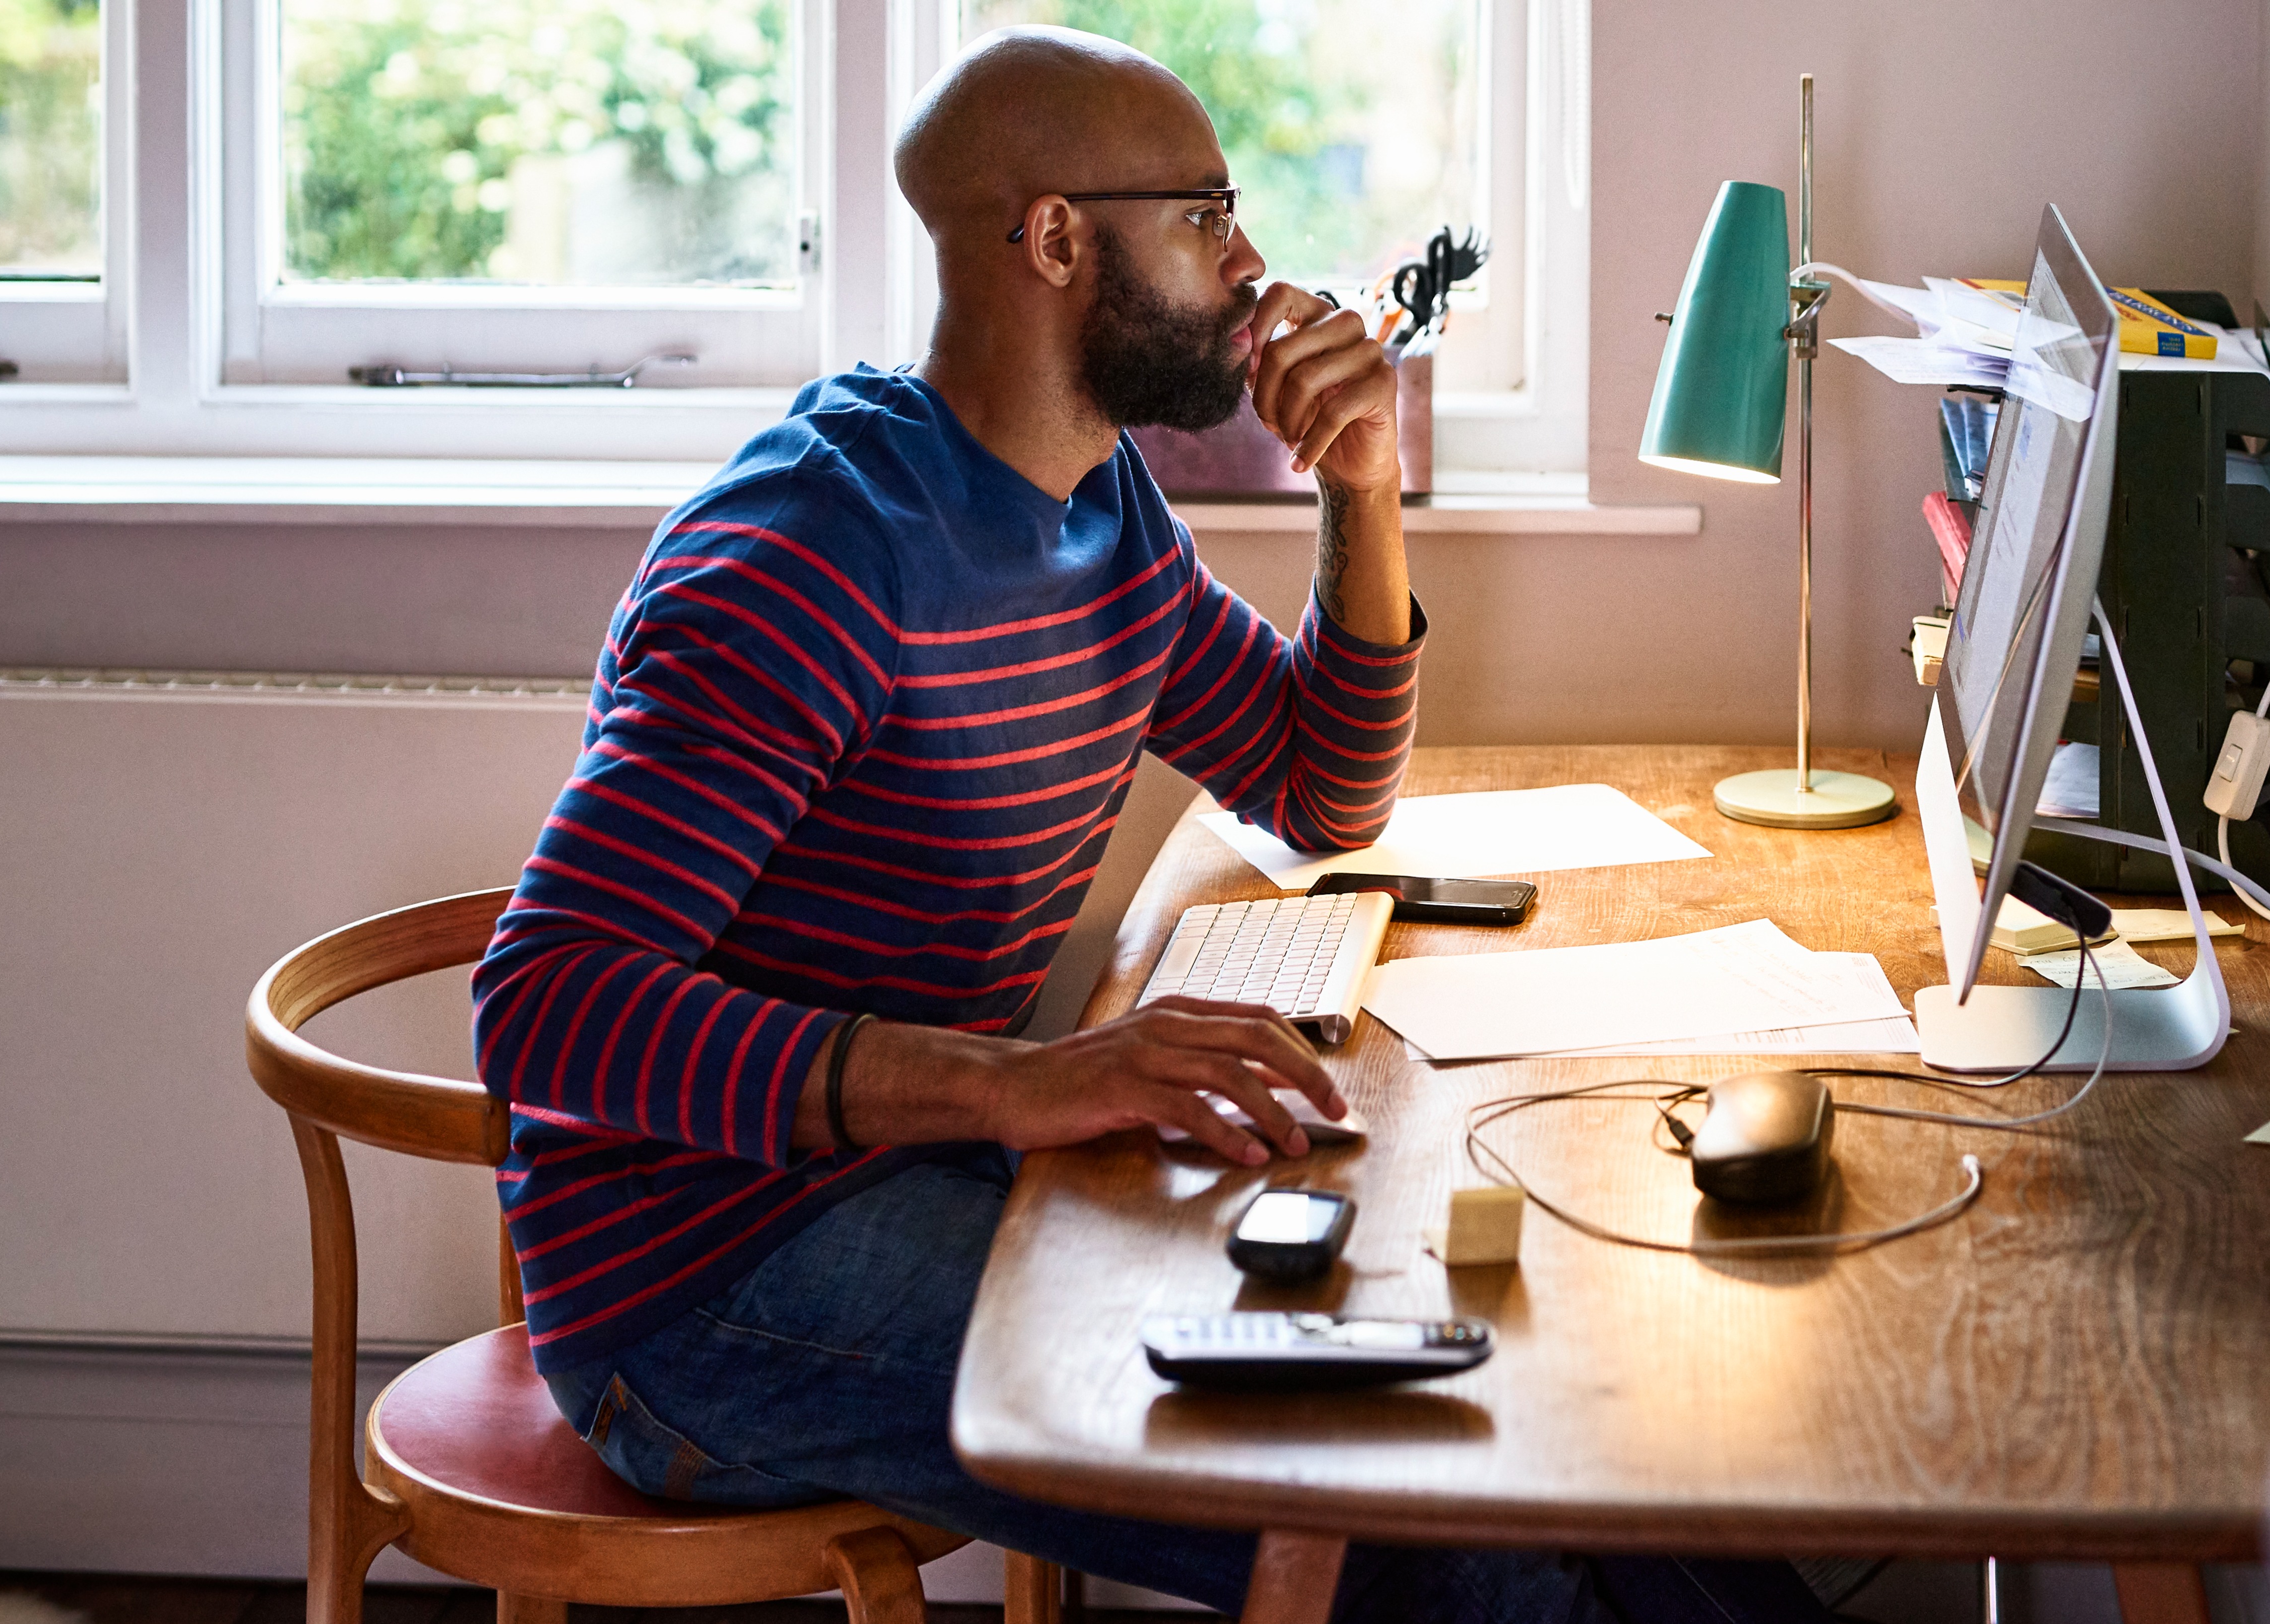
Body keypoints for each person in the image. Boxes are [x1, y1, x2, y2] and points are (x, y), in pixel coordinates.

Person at [470, 26, 1827, 1624]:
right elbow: (542, 1007)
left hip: (925, 1171)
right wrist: (1021, 1080)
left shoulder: (1100, 509)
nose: (1252, 265)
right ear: (1054, 238)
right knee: (1437, 1523)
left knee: (1547, 1403)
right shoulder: (810, 557)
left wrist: (1363, 484)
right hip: (701, 1285)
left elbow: (1320, 790)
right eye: (1204, 215)